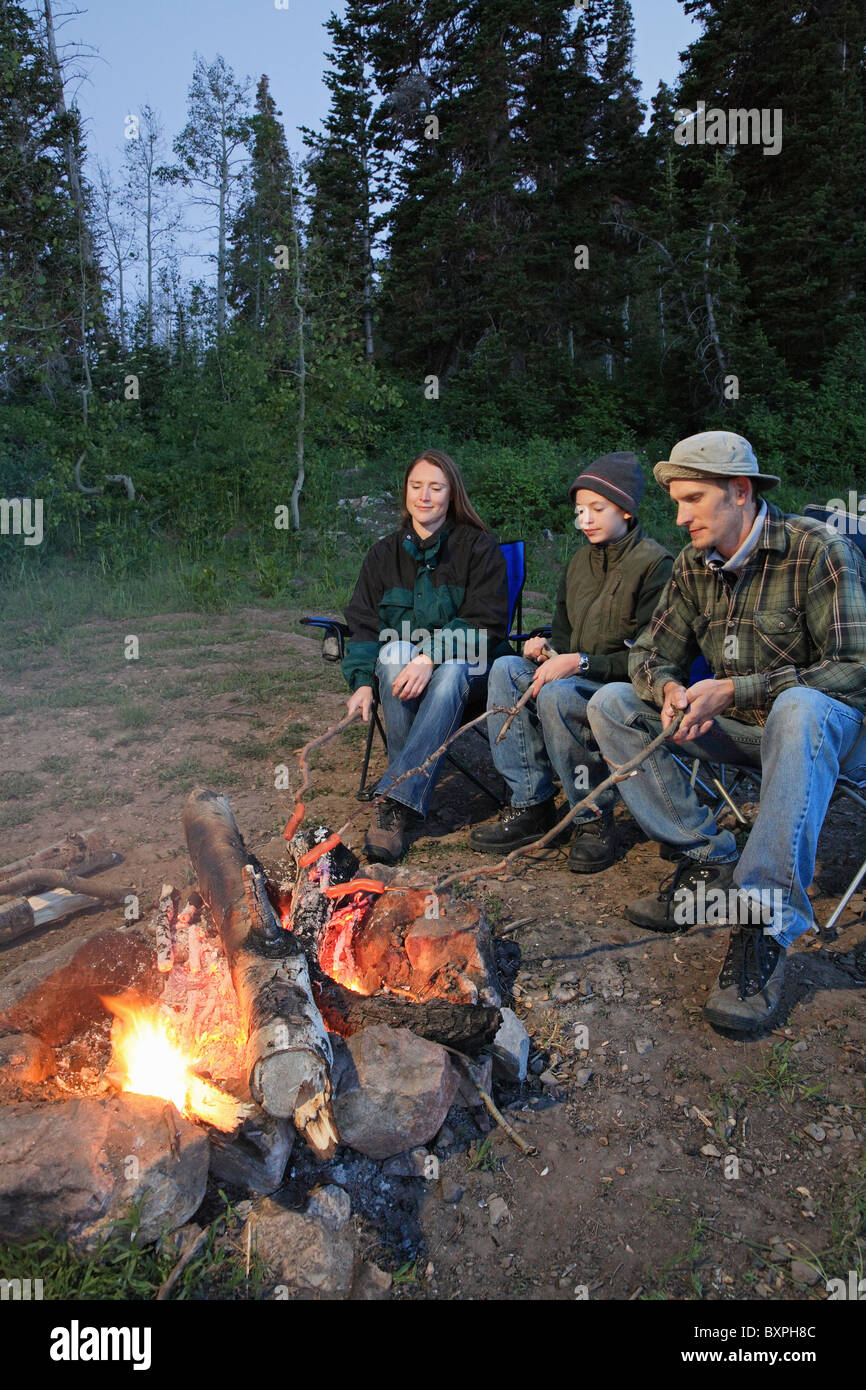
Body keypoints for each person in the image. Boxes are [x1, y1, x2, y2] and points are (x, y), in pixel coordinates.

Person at [585, 430, 866, 1031]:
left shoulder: (819, 550)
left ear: (740, 491)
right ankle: (704, 859)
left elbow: (853, 669)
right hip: (744, 735)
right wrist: (667, 688)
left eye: (692, 500)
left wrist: (736, 690)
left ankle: (764, 921)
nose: (680, 517)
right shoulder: (694, 565)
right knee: (612, 703)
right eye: (676, 503)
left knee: (801, 708)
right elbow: (648, 653)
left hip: (831, 737)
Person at [469, 453, 673, 870]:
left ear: (626, 509)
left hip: (625, 688)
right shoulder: (580, 562)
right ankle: (532, 804)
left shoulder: (655, 564)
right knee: (506, 668)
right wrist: (547, 649)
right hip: (575, 674)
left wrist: (579, 663)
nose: (585, 520)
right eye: (580, 510)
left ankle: (592, 817)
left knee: (559, 695)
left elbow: (652, 659)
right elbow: (563, 634)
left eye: (597, 509)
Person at [343, 449, 511, 865]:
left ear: (451, 494)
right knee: (397, 650)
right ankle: (408, 790)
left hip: (470, 670)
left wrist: (431, 655)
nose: (424, 496)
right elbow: (364, 623)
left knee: (452, 669)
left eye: (435, 488)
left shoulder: (478, 548)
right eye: (416, 486)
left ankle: (395, 798)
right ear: (405, 493)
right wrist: (363, 681)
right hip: (403, 672)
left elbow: (487, 622)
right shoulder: (383, 555)